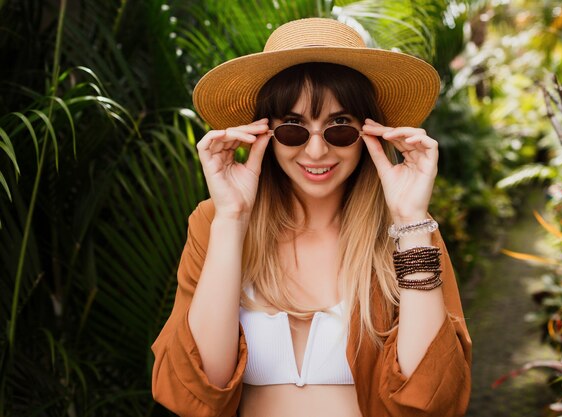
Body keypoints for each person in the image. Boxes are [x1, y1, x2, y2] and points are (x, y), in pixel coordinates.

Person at [151, 17, 471, 417]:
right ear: (263, 132)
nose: (316, 151)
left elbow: (431, 398)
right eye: (293, 127)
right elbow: (197, 388)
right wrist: (233, 219)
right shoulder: (215, 222)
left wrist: (409, 218)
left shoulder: (410, 233)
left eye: (339, 126)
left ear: (369, 132)